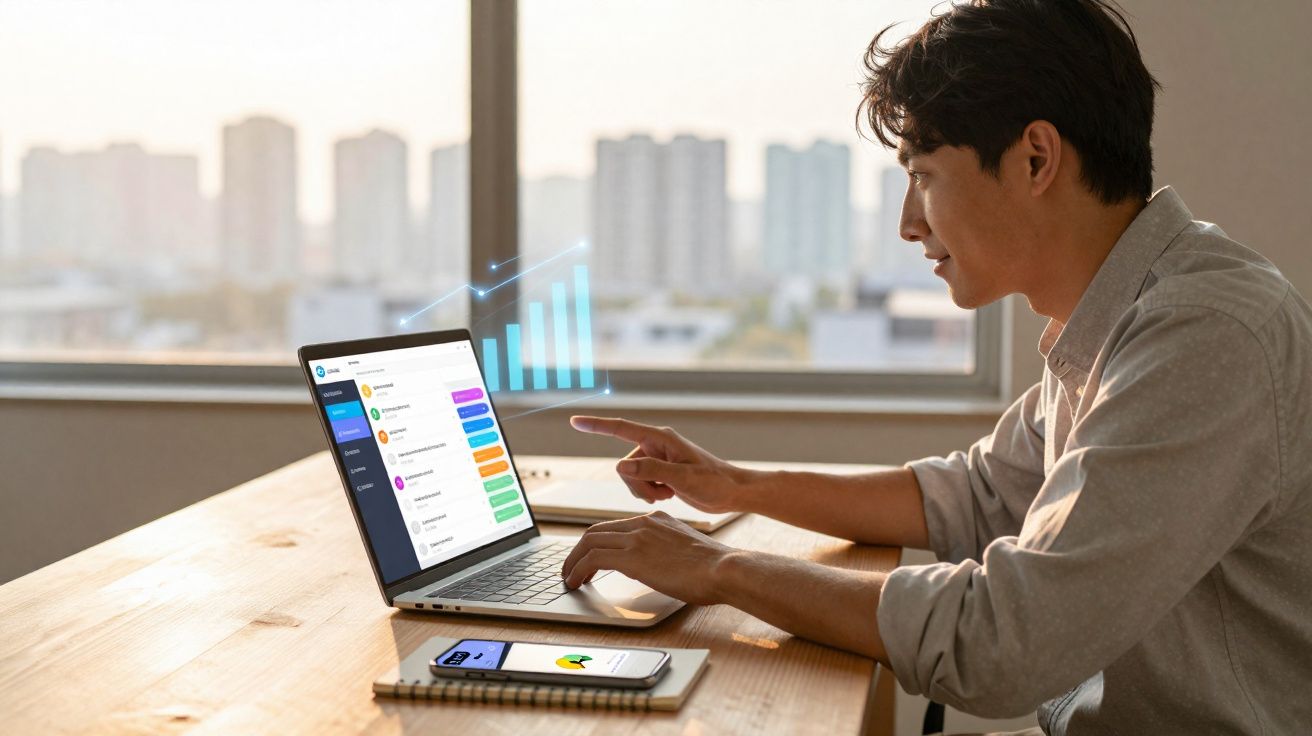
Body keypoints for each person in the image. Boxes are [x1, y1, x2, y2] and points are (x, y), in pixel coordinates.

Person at [557, 0, 1312, 733]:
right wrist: (735, 486)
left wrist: (718, 570)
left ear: (1036, 158)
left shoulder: (1203, 335)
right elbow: (981, 495)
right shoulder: (1121, 311)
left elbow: (1000, 644)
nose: (906, 223)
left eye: (921, 175)